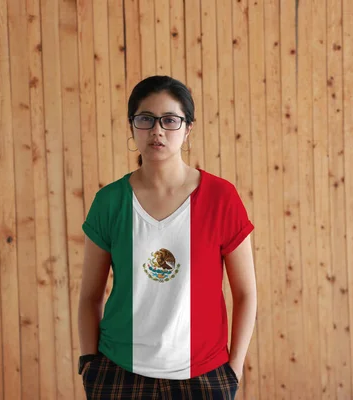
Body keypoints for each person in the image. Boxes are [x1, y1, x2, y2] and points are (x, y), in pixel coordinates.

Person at [77, 75, 257, 399]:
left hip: (204, 375)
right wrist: (90, 365)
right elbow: (90, 296)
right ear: (132, 126)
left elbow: (245, 293)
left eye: (170, 120)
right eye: (145, 119)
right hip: (118, 373)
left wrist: (234, 371)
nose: (157, 130)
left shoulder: (221, 198)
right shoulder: (110, 202)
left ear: (188, 129)